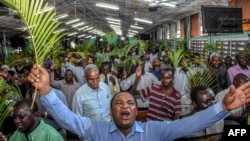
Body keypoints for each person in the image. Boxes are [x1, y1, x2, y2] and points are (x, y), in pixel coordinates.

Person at [25, 64, 250, 141]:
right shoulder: (96, 130)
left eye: (130, 103)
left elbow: (190, 124)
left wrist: (221, 108)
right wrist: (46, 90)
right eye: (119, 103)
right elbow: (69, 120)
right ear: (111, 111)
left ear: (136, 110)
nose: (125, 106)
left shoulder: (155, 131)